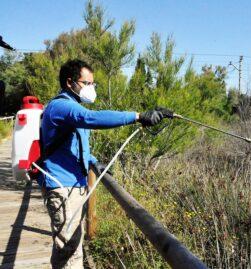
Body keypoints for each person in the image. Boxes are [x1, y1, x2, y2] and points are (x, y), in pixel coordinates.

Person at [39, 59, 164, 268]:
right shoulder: (62, 106)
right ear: (70, 82)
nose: (91, 88)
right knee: (69, 250)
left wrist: (94, 162)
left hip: (73, 186)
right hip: (62, 187)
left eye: (92, 84)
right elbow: (92, 118)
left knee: (69, 246)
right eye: (87, 83)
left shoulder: (71, 107)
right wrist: (138, 116)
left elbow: (77, 146)